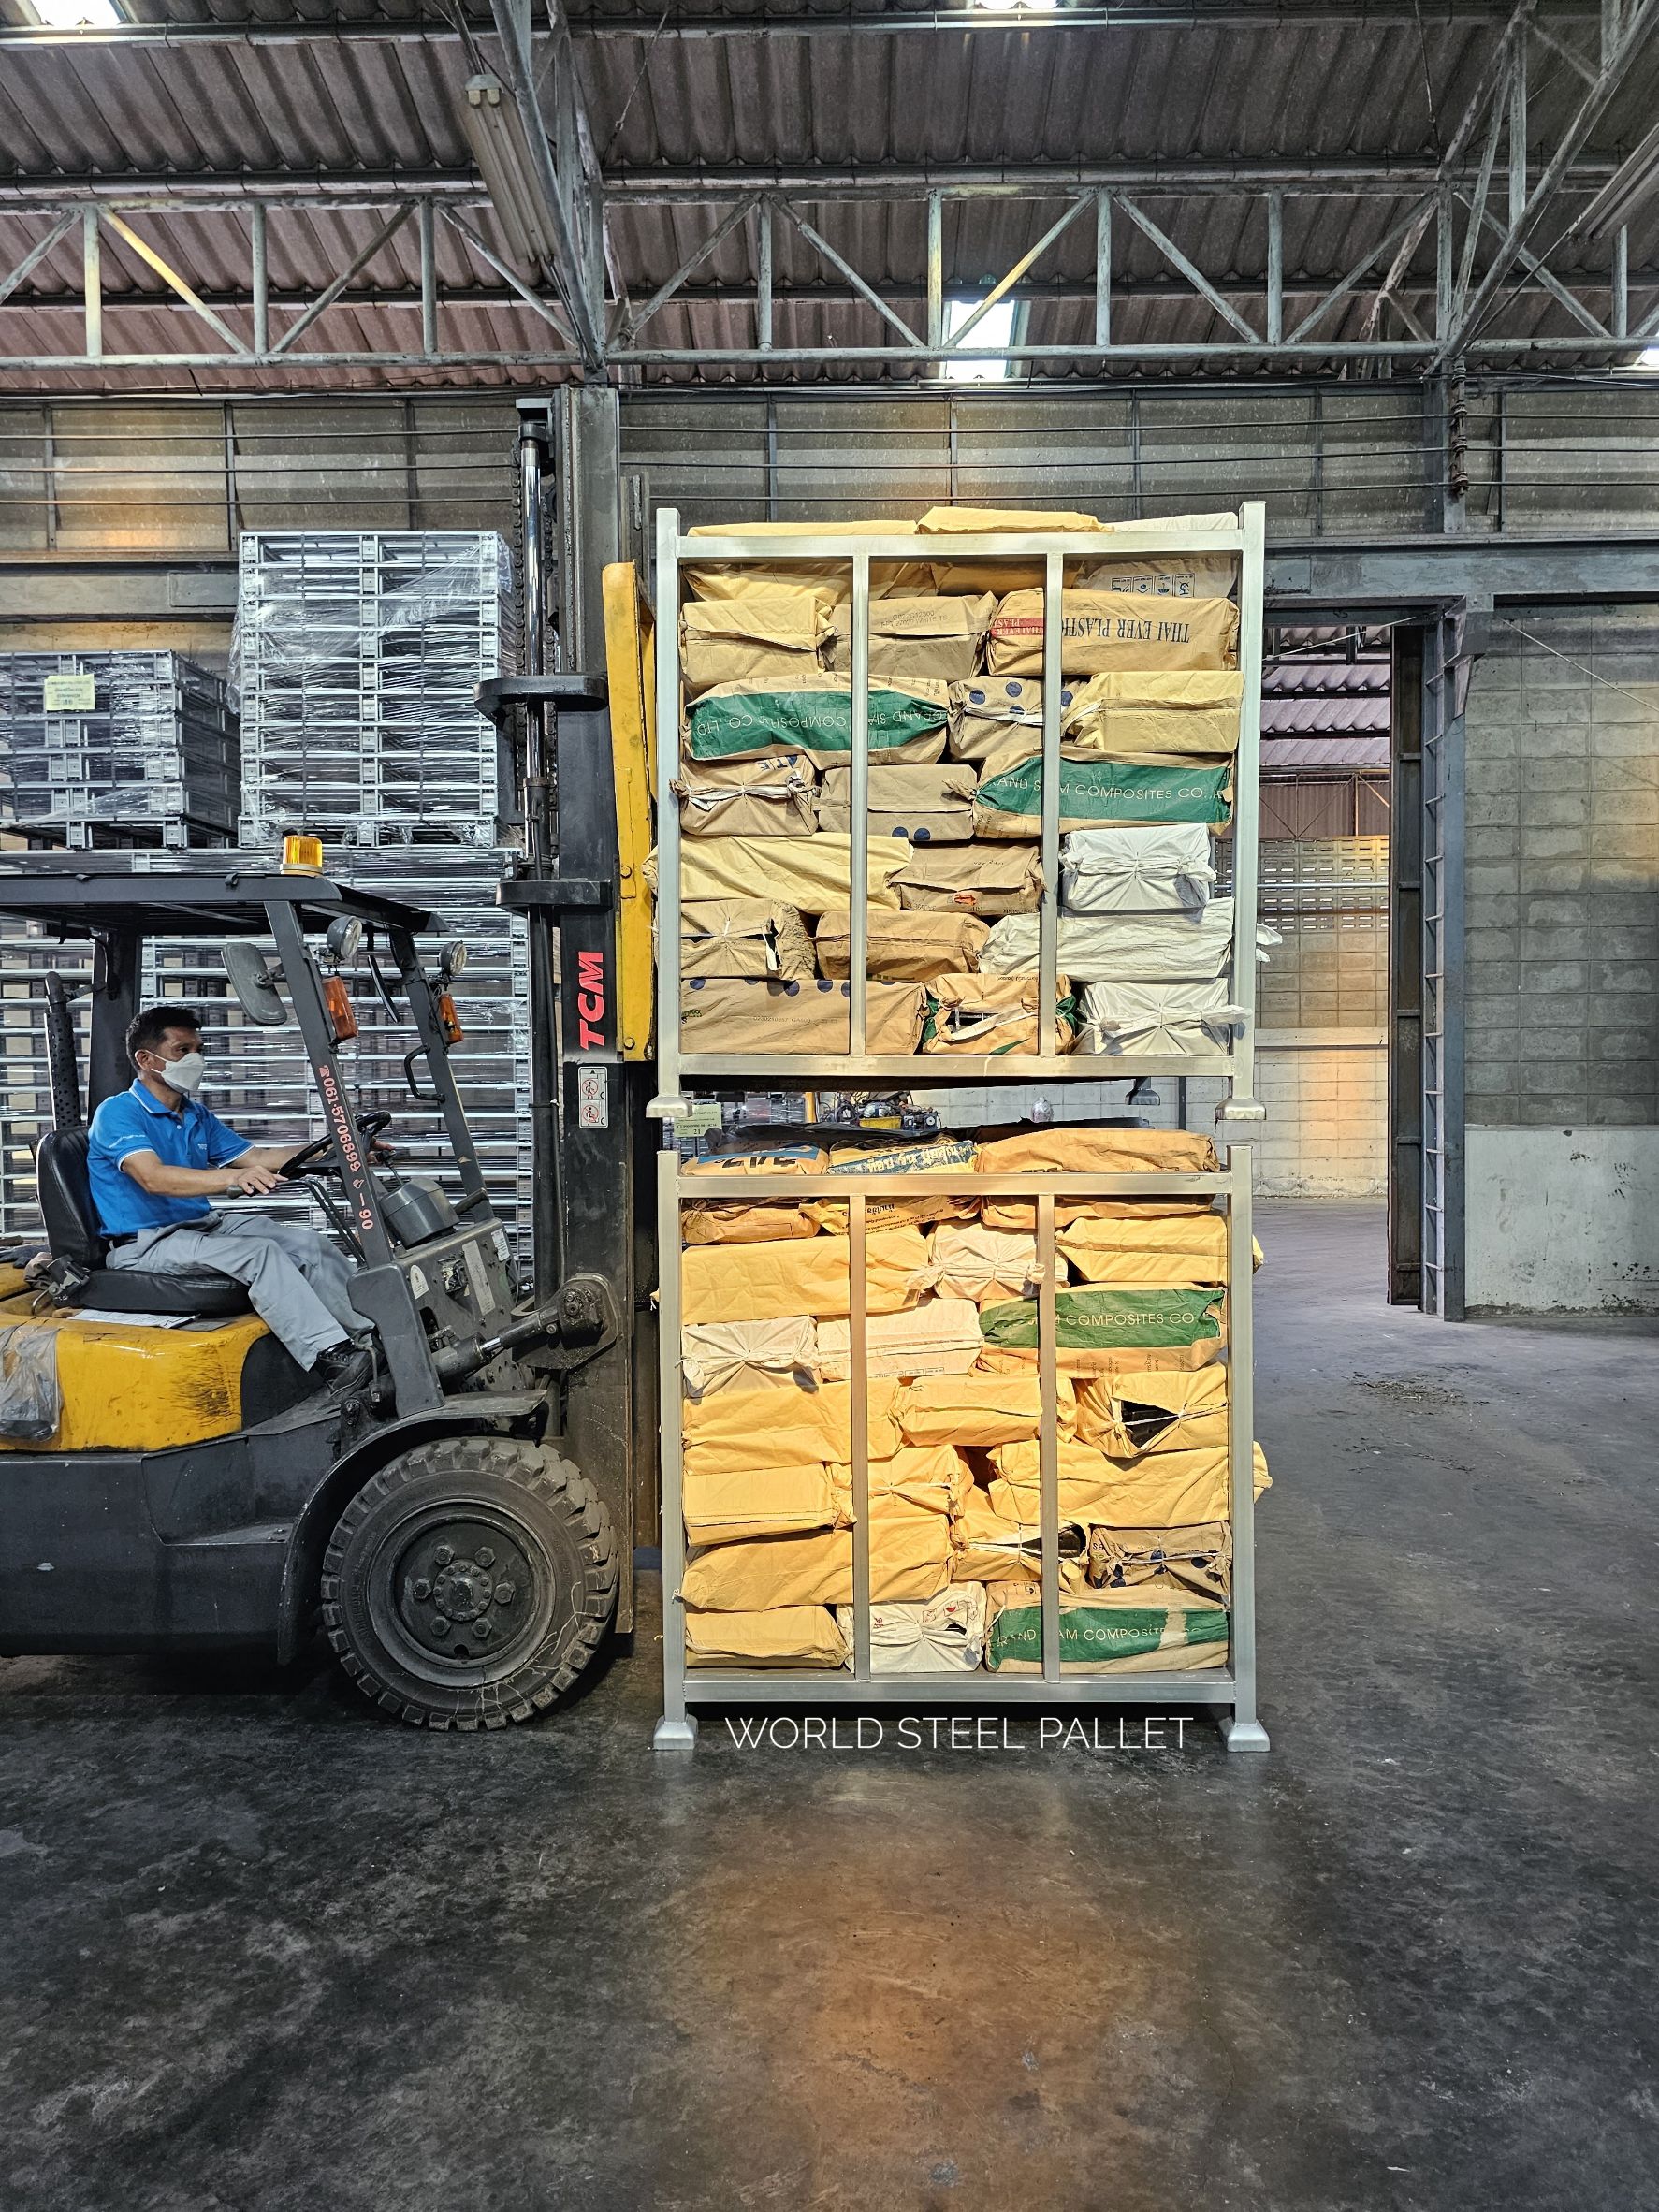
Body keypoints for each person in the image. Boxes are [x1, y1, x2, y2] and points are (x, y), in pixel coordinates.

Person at [85, 1005, 371, 1389]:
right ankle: (334, 1358)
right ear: (146, 1059)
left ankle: (375, 1335)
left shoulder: (194, 1114)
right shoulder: (118, 1112)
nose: (195, 1060)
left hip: (201, 1227)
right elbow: (153, 1178)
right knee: (260, 1254)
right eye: (182, 1051)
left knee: (308, 1244)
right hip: (147, 1242)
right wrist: (232, 1178)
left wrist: (342, 1149)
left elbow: (258, 1158)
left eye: (198, 1050)